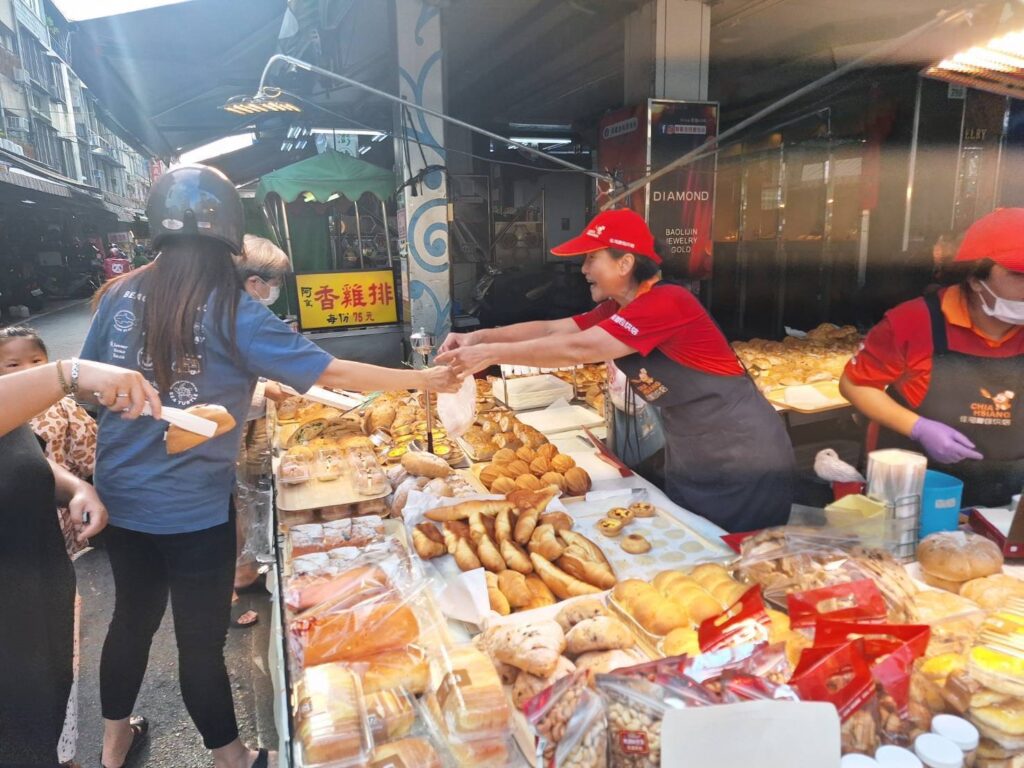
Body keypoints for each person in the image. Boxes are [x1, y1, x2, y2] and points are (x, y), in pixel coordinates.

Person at [82, 164, 460, 768]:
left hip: (122, 494)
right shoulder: (233, 308)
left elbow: (89, 387)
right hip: (193, 506)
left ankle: (111, 743)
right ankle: (231, 756)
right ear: (230, 235)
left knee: (131, 619)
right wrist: (421, 379)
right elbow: (329, 372)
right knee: (200, 642)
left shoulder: (118, 295)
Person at [437, 208, 795, 533]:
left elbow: (580, 348)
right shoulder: (618, 309)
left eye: (591, 258)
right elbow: (552, 330)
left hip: (742, 455)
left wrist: (488, 355)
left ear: (624, 263)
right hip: (694, 450)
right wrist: (477, 338)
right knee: (698, 543)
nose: (583, 270)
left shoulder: (667, 302)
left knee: (738, 557)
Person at [0, 358, 156, 768]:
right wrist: (68, 373)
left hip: (40, 606)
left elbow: (18, 455)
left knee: (49, 720)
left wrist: (74, 487)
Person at [840, 208, 1024, 508]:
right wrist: (919, 428)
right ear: (976, 280)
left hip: (1012, 500)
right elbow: (855, 385)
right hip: (916, 495)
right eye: (1018, 274)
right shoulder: (914, 322)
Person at [0, 326, 98, 554]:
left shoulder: (64, 406)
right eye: (14, 365)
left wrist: (83, 488)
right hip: (14, 514)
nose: (28, 371)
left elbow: (88, 451)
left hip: (61, 506)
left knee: (58, 562)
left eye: (36, 361)